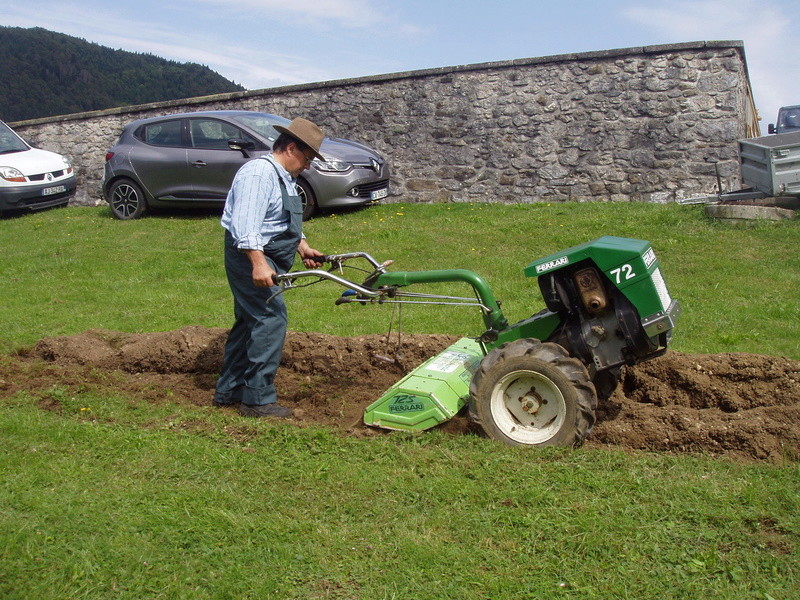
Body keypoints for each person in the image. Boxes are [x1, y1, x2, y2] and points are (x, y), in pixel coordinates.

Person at [213, 117, 326, 418]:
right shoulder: (259, 173)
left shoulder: (284, 177)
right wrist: (259, 265)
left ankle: (230, 390)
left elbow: (277, 220)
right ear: (291, 148)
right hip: (250, 256)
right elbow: (246, 225)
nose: (309, 165)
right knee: (270, 319)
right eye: (308, 157)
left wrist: (302, 247)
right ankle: (257, 400)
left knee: (250, 321)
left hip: (267, 255)